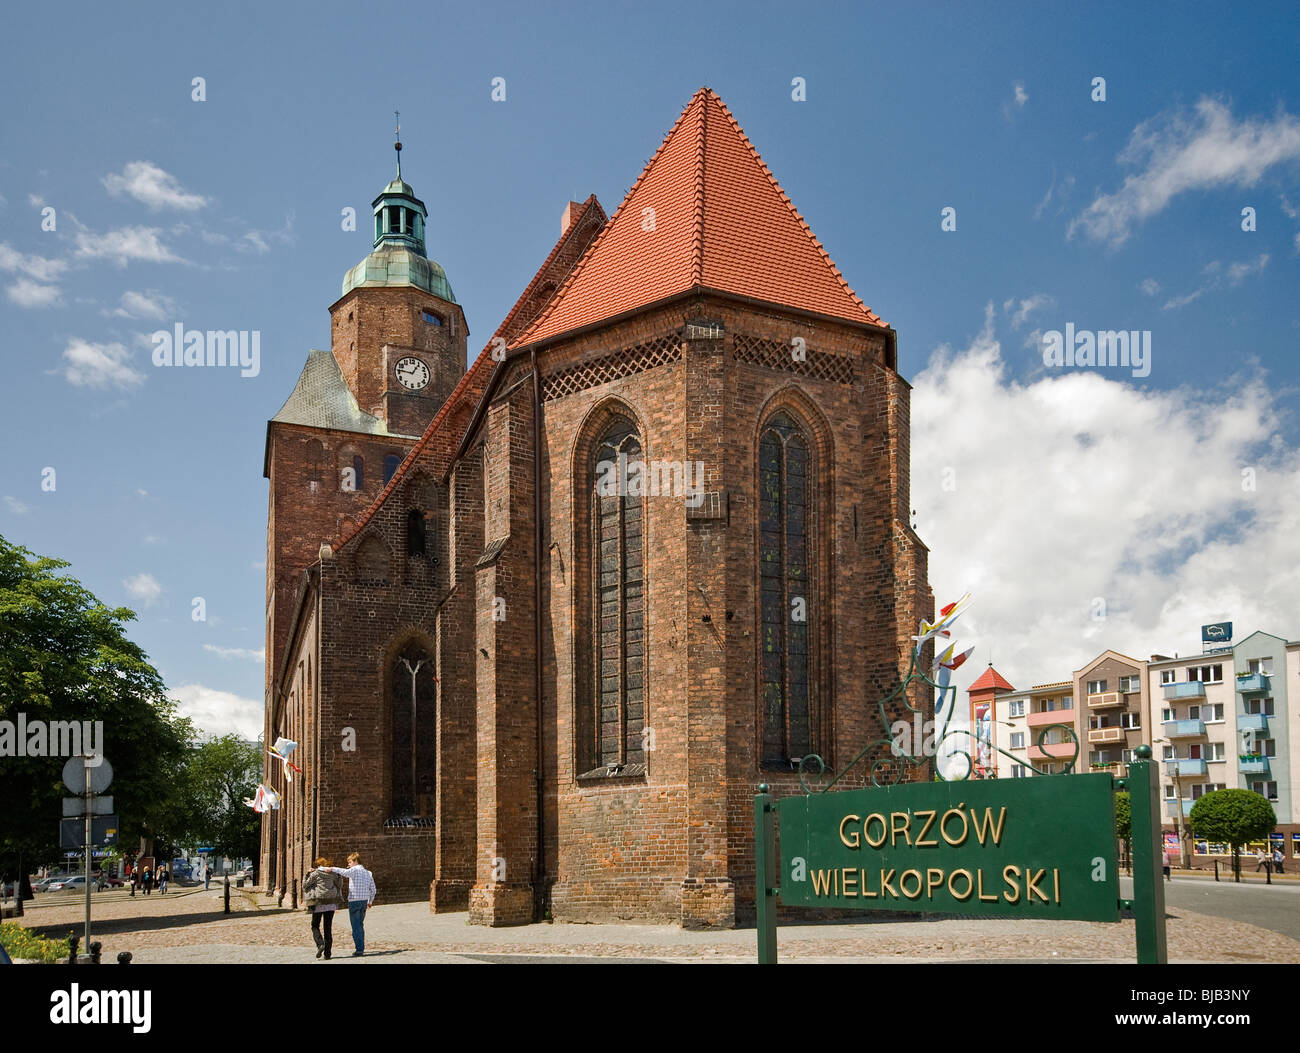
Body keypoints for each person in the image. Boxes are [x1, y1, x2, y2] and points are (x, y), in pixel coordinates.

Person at [318, 853, 377, 956]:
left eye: (349, 862)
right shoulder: (368, 873)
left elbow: (343, 871)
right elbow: (373, 889)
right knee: (360, 925)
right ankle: (361, 947)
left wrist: (331, 868)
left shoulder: (354, 870)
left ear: (355, 861)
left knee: (356, 926)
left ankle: (359, 950)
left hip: (354, 901)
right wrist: (370, 901)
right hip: (364, 902)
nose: (349, 865)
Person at [301, 857, 345, 960]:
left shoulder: (315, 873)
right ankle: (327, 954)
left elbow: (305, 885)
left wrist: (307, 874)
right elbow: (340, 885)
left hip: (319, 903)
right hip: (331, 903)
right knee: (327, 928)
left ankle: (320, 944)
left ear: (317, 865)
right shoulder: (333, 873)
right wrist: (338, 875)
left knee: (315, 925)